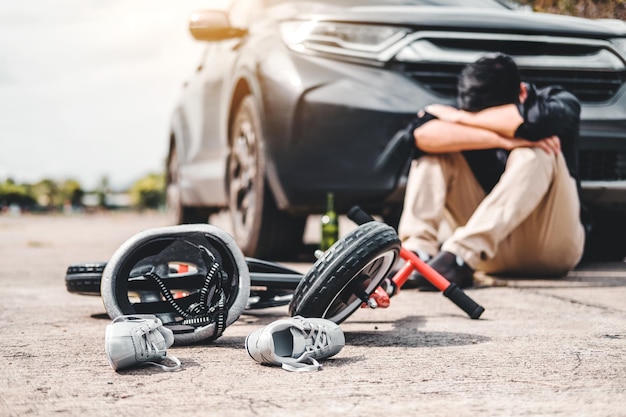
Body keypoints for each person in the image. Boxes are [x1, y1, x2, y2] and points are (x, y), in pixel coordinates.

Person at [397, 53, 586, 289]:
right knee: (436, 150)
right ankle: (417, 255)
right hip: (486, 255)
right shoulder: (469, 109)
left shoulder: (556, 102)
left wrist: (458, 118)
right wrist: (502, 139)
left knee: (538, 151)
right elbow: (418, 138)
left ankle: (459, 255)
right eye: (473, 115)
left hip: (550, 248)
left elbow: (536, 123)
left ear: (522, 93)